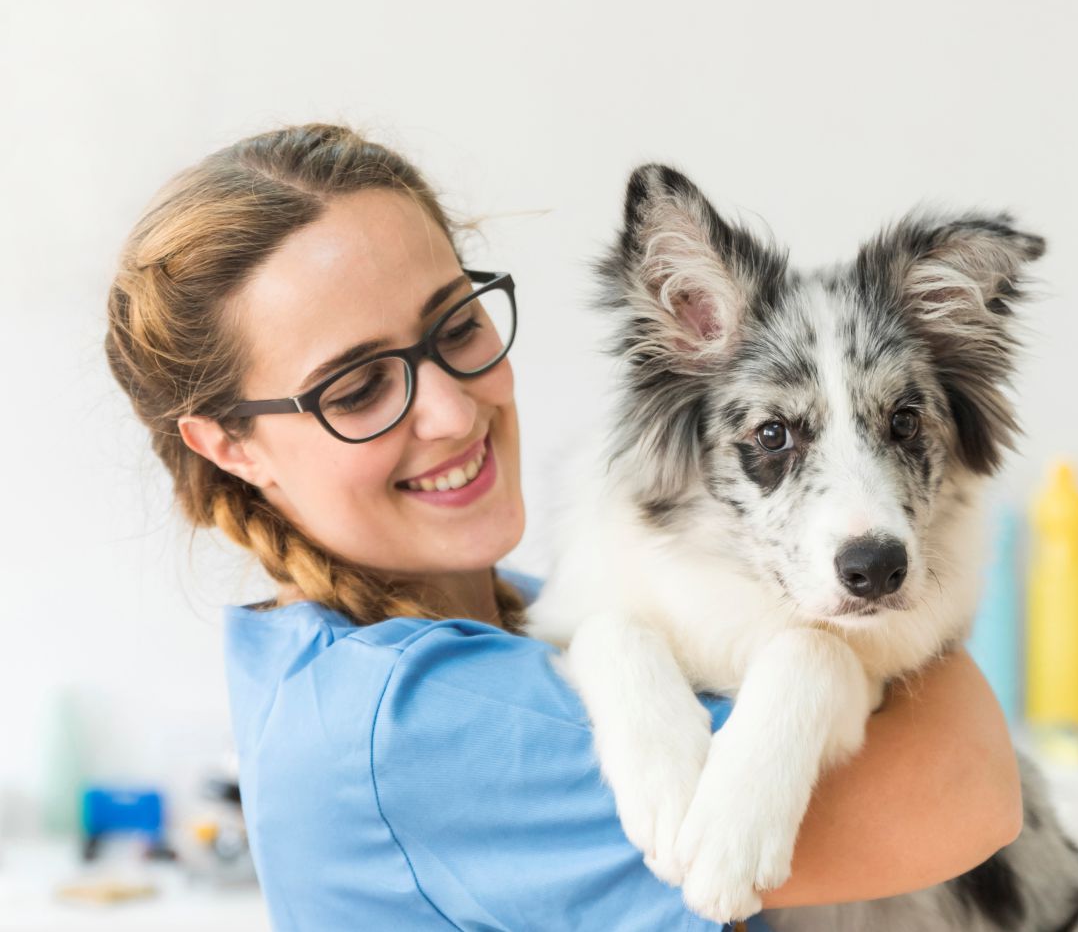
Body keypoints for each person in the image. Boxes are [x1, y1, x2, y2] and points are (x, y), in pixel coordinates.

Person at [104, 123, 1022, 931]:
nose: (452, 413)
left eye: (455, 327)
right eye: (357, 388)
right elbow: (967, 788)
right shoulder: (418, 726)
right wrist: (822, 653)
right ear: (231, 445)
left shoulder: (475, 623)